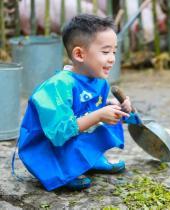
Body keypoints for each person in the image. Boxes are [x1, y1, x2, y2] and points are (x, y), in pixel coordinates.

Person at [17, 14, 135, 191]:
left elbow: (94, 107)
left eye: (114, 52)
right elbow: (58, 133)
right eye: (105, 52)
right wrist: (98, 115)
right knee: (94, 119)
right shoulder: (57, 86)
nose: (112, 58)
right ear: (79, 54)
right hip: (47, 147)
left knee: (102, 117)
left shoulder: (99, 80)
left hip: (73, 133)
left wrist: (117, 108)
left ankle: (90, 160)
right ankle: (62, 172)